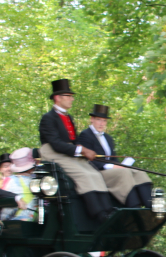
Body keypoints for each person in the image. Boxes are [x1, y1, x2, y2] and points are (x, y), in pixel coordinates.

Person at [38, 79, 117, 222]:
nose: (72, 99)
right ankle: (98, 213)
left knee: (94, 173)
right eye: (68, 96)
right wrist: (82, 150)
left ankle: (108, 210)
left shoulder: (68, 117)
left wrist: (83, 151)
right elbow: (55, 143)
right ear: (58, 98)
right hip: (53, 152)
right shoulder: (48, 118)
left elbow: (73, 140)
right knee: (84, 174)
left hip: (69, 151)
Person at [77, 104, 154, 207]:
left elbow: (113, 158)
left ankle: (150, 204)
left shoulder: (108, 138)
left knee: (138, 171)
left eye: (104, 121)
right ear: (92, 119)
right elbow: (88, 160)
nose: (101, 123)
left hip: (112, 170)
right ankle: (134, 206)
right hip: (97, 172)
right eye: (98, 120)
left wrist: (121, 165)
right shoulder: (85, 135)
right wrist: (111, 166)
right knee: (124, 173)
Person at [0, 148, 37, 221]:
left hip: (13, 222)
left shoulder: (8, 181)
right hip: (35, 221)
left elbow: (5, 209)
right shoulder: (38, 182)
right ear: (32, 168)